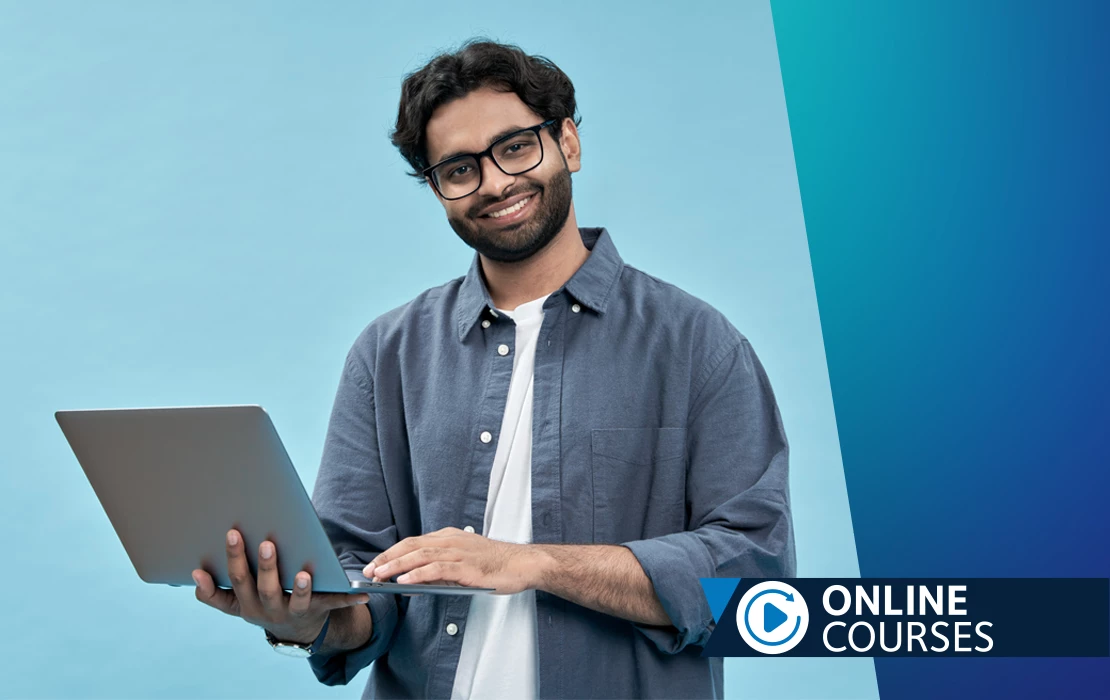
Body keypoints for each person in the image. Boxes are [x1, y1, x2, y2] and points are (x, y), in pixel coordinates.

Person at [191, 38, 796, 699]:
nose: (495, 183)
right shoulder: (387, 354)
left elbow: (757, 583)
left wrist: (531, 564)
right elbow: (362, 586)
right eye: (458, 169)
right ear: (437, 188)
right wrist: (308, 619)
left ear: (568, 142)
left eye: (515, 147)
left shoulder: (696, 344)